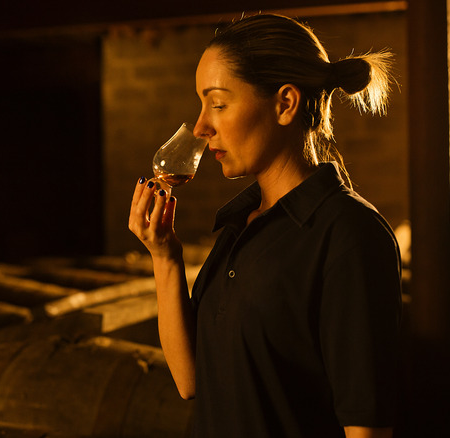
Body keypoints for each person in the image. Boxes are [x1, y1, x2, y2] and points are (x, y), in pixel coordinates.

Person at [128, 14, 402, 438]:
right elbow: (190, 381)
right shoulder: (240, 223)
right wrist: (165, 257)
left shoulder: (348, 233)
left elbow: (366, 428)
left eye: (217, 104)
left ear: (285, 104)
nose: (200, 127)